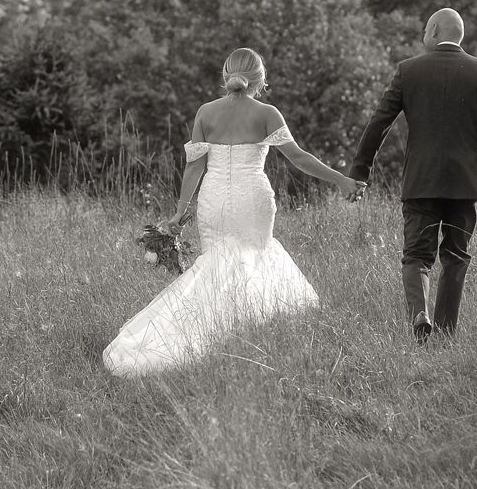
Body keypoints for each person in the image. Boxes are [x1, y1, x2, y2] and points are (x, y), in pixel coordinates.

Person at [103, 48, 364, 377]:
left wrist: (179, 214)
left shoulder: (205, 113)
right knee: (252, 262)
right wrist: (341, 180)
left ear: (225, 75)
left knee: (217, 268)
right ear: (261, 79)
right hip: (251, 200)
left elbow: (194, 168)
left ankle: (209, 334)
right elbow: (298, 158)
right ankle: (242, 342)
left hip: (213, 202)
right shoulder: (267, 113)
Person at [349, 8, 477, 343]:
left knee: (416, 256)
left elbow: (379, 123)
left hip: (421, 181)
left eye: (425, 28)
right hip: (465, 185)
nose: (423, 33)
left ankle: (420, 318)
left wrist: (360, 171)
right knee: (455, 257)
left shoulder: (409, 71)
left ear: (435, 30)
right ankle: (446, 335)